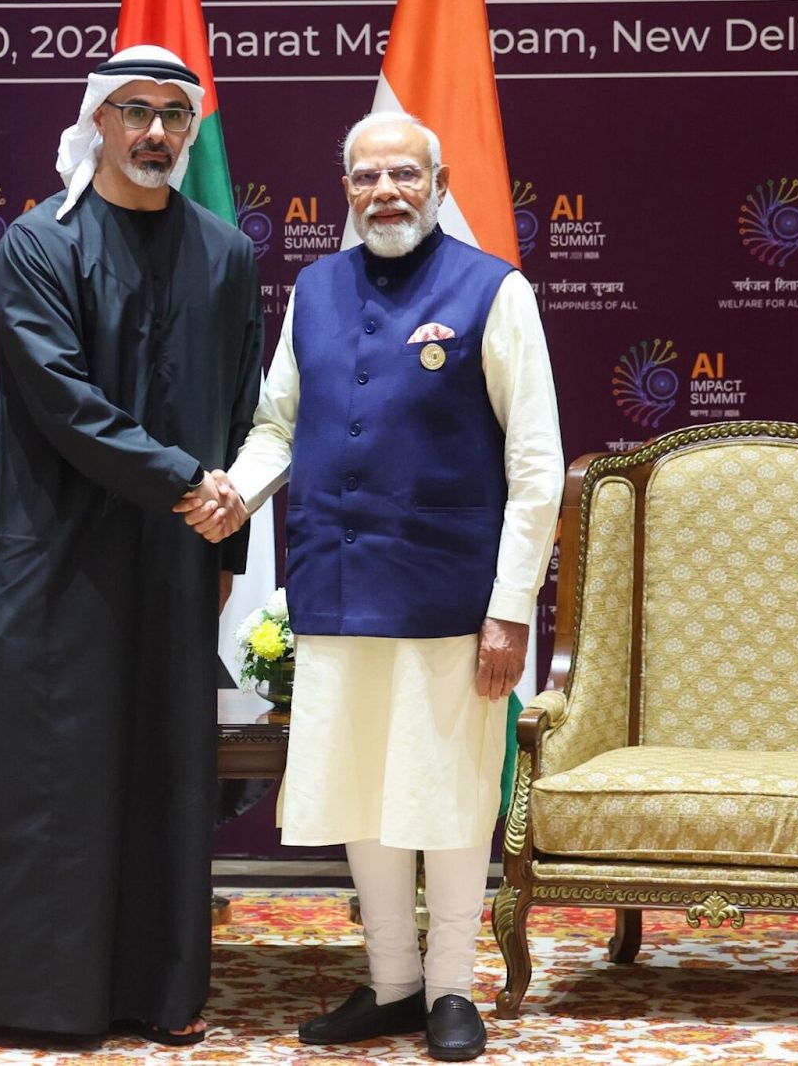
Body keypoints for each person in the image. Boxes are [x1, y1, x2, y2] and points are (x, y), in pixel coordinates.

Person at [180, 111, 563, 1061]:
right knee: (365, 787)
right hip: (338, 586)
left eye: (404, 174)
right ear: (345, 190)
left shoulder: (494, 290)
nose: (385, 192)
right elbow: (277, 425)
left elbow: (537, 465)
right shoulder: (314, 290)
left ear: (439, 186)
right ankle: (393, 983)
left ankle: (452, 986)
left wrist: (510, 608)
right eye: (365, 177)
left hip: (452, 599)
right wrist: (237, 493)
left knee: (451, 793)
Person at [0, 45, 263, 1049]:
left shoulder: (226, 253)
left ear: (190, 131)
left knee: (159, 767)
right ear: (98, 122)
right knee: (28, 769)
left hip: (174, 554)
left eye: (174, 116)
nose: (155, 132)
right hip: (50, 551)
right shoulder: (38, 244)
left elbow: (240, 405)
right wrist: (189, 483)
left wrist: (228, 530)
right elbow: (63, 401)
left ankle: (155, 991)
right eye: (135, 111)